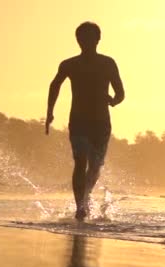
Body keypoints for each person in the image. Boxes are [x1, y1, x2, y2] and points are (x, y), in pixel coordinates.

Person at [46, 22, 125, 221]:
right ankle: (80, 207)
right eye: (83, 38)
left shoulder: (108, 63)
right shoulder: (70, 64)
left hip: (101, 123)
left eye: (91, 38)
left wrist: (113, 100)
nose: (86, 42)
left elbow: (121, 93)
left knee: (95, 167)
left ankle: (86, 195)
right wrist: (49, 112)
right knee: (80, 162)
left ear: (98, 39)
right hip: (79, 121)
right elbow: (54, 85)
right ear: (78, 40)